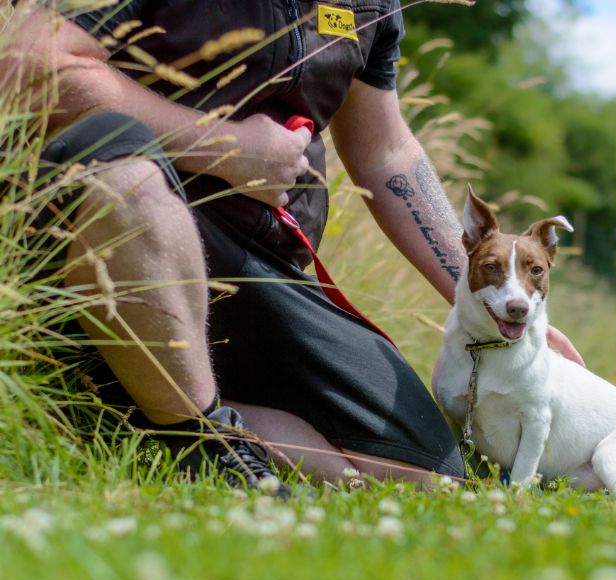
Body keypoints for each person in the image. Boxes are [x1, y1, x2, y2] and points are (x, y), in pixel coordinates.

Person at [8, 0, 583, 491]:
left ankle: (113, 408)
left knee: (428, 472)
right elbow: (30, 67)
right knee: (127, 183)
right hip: (117, 227)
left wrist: (487, 291)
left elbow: (384, 149)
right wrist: (221, 147)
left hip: (265, 266)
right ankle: (199, 439)